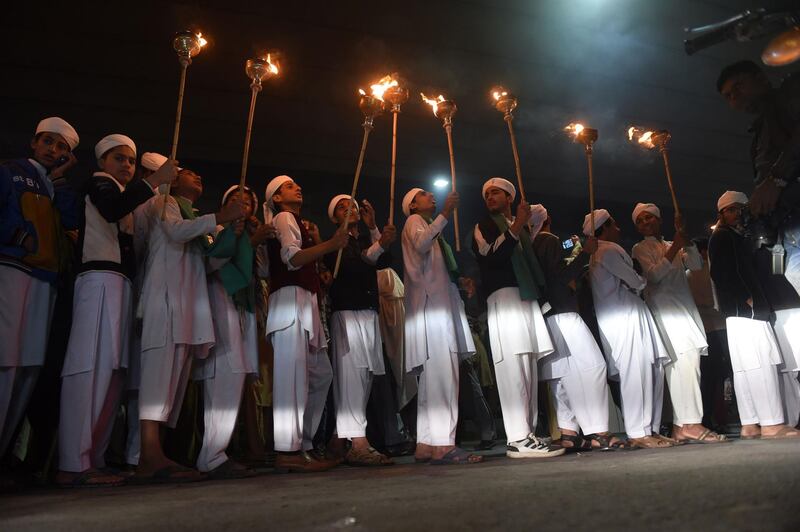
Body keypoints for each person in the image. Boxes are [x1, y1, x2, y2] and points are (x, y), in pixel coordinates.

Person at [56, 135, 177, 487]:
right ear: (102, 162)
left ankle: (93, 458)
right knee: (89, 368)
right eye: (118, 159)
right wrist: (153, 180)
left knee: (112, 374)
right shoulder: (99, 185)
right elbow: (111, 209)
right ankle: (73, 462)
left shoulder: (124, 194)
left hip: (120, 284)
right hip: (97, 279)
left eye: (130, 160)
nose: (125, 165)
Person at [134, 167, 246, 482]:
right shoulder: (163, 201)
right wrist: (221, 216)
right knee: (158, 372)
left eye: (199, 174)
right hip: (165, 296)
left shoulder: (195, 218)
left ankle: (158, 454)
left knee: (173, 378)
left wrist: (229, 240)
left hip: (188, 302)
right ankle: (148, 454)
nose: (197, 176)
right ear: (171, 179)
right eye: (188, 173)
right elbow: (175, 231)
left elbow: (207, 262)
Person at [0, 117, 80, 460]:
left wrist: (60, 180)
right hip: (12, 269)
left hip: (46, 279)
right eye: (48, 142)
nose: (54, 150)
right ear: (34, 142)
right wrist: (20, 238)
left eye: (62, 147)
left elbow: (74, 221)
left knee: (30, 365)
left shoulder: (57, 184)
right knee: (7, 361)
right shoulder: (10, 170)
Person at [471, 178, 563, 458]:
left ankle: (529, 434)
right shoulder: (484, 225)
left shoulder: (520, 226)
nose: (489, 196)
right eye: (486, 193)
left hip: (525, 297)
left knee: (528, 366)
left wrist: (520, 222)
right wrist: (515, 226)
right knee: (513, 366)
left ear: (509, 197)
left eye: (495, 192)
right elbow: (490, 256)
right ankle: (517, 437)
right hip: (504, 297)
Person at [263, 175, 348, 473]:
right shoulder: (284, 217)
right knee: (292, 378)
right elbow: (292, 259)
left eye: (297, 184)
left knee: (320, 375)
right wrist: (331, 244)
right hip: (290, 300)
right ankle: (288, 449)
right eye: (288, 186)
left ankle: (305, 444)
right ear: (276, 198)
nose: (297, 187)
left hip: (304, 301)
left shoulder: (296, 222)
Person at [630, 203, 728, 444]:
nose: (645, 223)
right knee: (685, 365)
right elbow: (653, 275)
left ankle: (681, 425)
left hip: (684, 312)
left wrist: (686, 241)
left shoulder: (669, 244)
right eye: (640, 221)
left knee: (684, 367)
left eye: (649, 218)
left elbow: (695, 265)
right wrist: (675, 245)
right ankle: (691, 423)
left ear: (658, 219)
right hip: (666, 315)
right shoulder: (639, 248)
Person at [193, 184, 271, 478]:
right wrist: (237, 238)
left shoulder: (248, 235)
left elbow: (261, 273)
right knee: (225, 371)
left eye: (249, 201)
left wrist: (251, 242)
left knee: (234, 375)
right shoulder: (213, 228)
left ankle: (214, 452)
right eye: (237, 200)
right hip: (219, 301)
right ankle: (212, 453)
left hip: (242, 306)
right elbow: (208, 263)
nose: (245, 204)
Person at [708, 191, 799, 438]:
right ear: (722, 213)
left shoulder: (735, 236)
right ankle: (772, 423)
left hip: (743, 311)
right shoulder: (723, 236)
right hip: (746, 310)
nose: (738, 213)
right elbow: (721, 273)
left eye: (741, 209)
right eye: (732, 209)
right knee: (761, 364)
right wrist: (746, 298)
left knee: (746, 368)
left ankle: (750, 423)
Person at [532, 207, 624, 451]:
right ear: (547, 220)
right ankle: (598, 432)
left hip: (546, 316)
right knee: (593, 366)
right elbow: (560, 275)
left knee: (560, 375)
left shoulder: (532, 245)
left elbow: (562, 258)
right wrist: (585, 254)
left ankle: (569, 432)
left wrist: (577, 249)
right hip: (564, 313)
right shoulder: (549, 240)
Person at [401, 187, 482, 465]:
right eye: (423, 194)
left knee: (432, 381)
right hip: (432, 310)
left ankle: (426, 443)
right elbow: (421, 244)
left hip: (435, 307)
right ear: (412, 205)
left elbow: (434, 265)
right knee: (445, 376)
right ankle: (444, 445)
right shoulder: (415, 223)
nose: (431, 197)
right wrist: (446, 212)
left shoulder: (428, 227)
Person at [585, 209, 672, 449]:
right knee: (636, 372)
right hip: (623, 318)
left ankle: (651, 429)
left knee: (651, 369)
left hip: (632, 314)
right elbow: (637, 281)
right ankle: (638, 431)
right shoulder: (607, 251)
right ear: (605, 227)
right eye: (615, 224)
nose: (620, 229)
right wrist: (639, 281)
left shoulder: (602, 252)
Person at [323, 194, 396, 466]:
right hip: (347, 313)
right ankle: (359, 442)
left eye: (353, 205)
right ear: (334, 217)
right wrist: (380, 243)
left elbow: (386, 261)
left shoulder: (365, 239)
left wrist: (375, 227)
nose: (350, 209)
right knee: (351, 376)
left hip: (368, 313)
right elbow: (356, 265)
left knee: (364, 376)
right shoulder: (335, 244)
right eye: (343, 207)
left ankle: (338, 439)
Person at [717, 60, 800, 296]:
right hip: (785, 233)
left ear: (760, 78)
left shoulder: (789, 93)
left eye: (739, 86)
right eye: (729, 96)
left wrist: (777, 179)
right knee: (788, 274)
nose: (735, 97)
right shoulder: (758, 135)